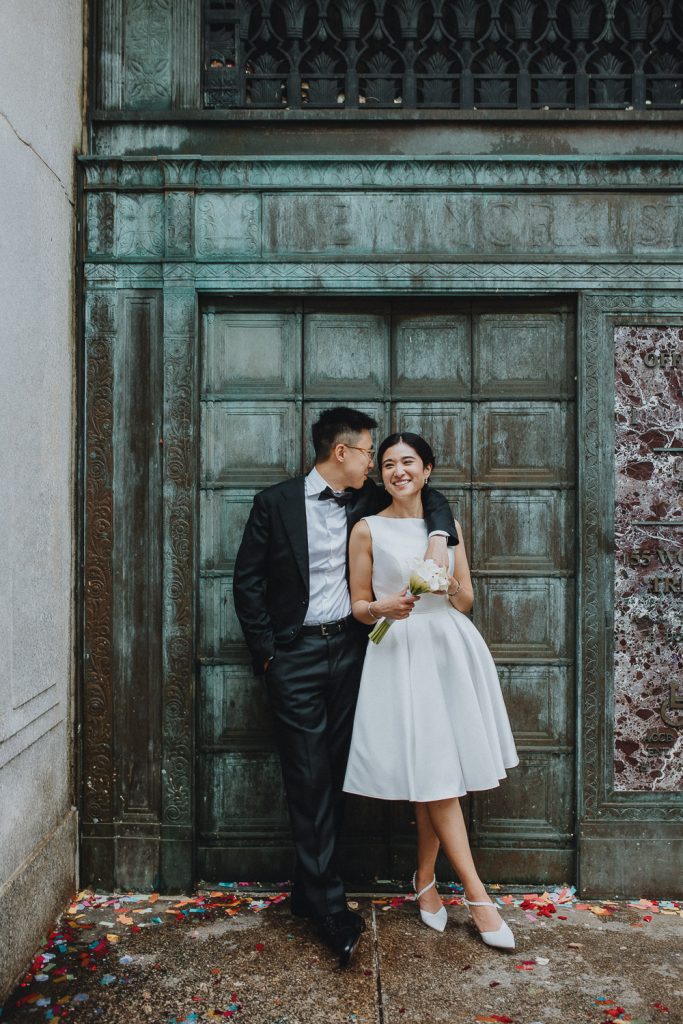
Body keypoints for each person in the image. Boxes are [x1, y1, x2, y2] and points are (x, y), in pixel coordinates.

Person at [233, 408, 457, 967]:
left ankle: (309, 891)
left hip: (360, 653)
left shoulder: (365, 502)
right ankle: (330, 907)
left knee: (337, 772)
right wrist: (269, 657)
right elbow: (248, 583)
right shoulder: (274, 503)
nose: (377, 465)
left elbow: (435, 499)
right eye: (368, 453)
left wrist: (434, 537)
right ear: (343, 453)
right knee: (308, 775)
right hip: (297, 655)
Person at [344, 432, 519, 950]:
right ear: (381, 474)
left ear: (427, 470)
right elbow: (357, 603)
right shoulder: (367, 529)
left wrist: (445, 587)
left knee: (435, 772)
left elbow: (466, 600)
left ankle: (425, 880)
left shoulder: (447, 527)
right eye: (390, 464)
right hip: (399, 653)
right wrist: (382, 609)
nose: (400, 471)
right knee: (437, 776)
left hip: (447, 649)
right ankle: (478, 896)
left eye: (410, 463)